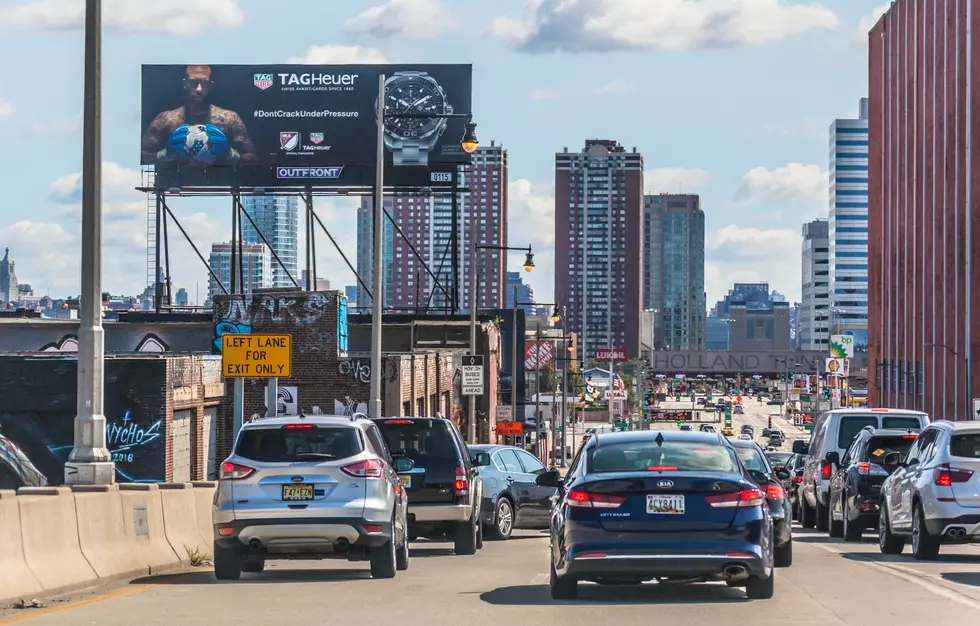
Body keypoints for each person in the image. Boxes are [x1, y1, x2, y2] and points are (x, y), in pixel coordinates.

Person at [141, 65, 257, 165]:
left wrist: (230, 154)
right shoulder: (166, 120)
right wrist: (165, 154)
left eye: (204, 83)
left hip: (220, 183)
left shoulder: (229, 119)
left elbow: (253, 157)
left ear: (211, 85)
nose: (199, 89)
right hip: (176, 184)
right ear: (184, 84)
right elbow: (142, 154)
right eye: (193, 82)